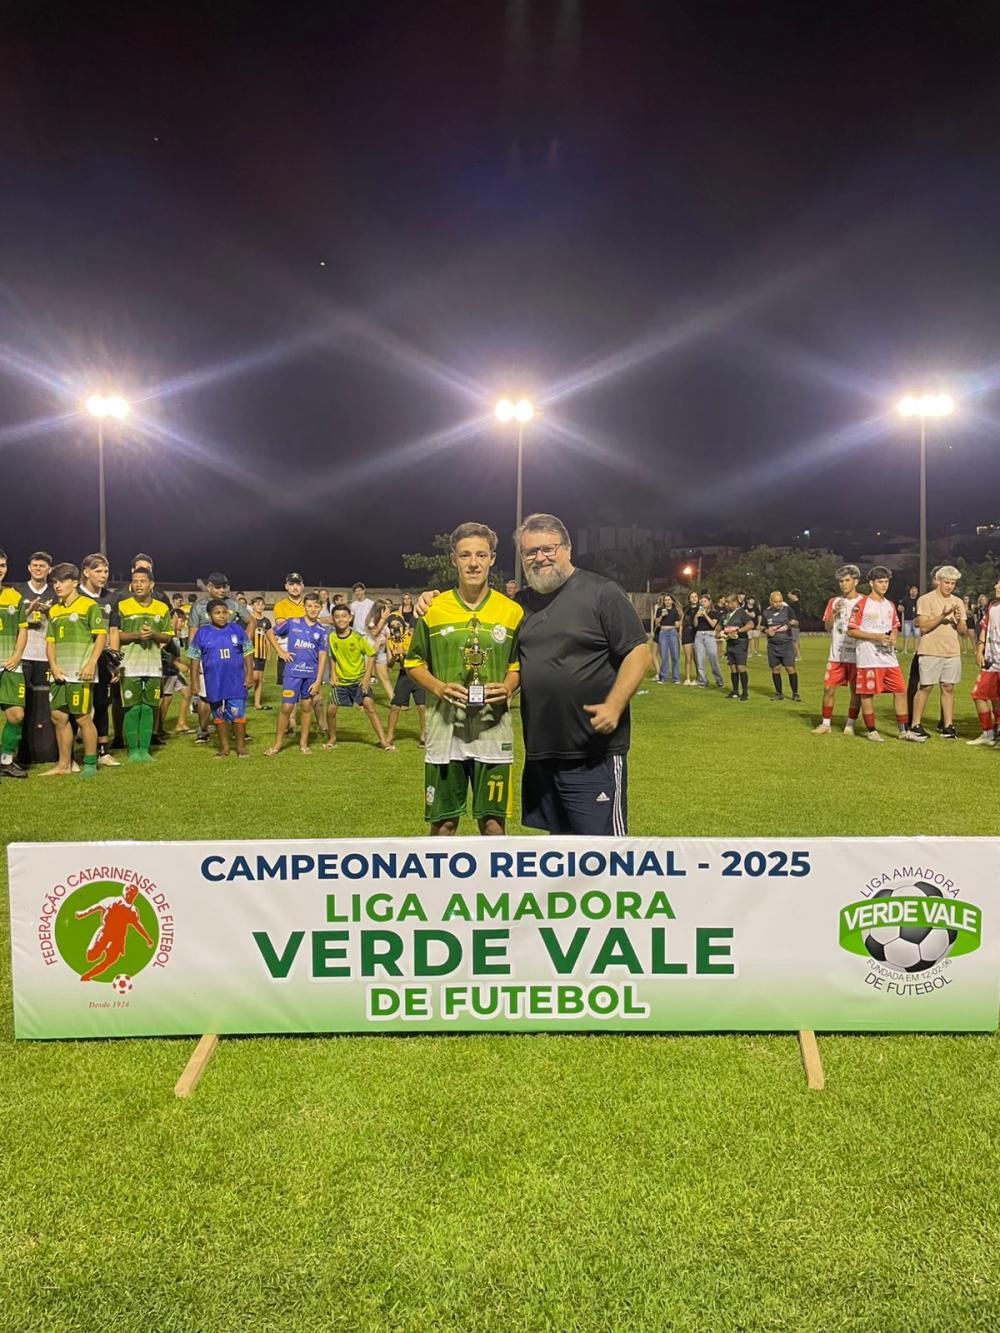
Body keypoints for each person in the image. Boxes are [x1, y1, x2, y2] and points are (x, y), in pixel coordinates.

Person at [415, 513, 648, 835]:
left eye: (548, 549)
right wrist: (430, 598)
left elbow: (638, 651)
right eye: (530, 552)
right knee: (558, 846)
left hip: (593, 752)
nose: (540, 558)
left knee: (602, 847)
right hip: (542, 752)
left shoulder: (602, 592)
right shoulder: (520, 606)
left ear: (567, 548)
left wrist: (615, 704)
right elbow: (483, 614)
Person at [404, 523, 522, 834]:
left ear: (492, 558)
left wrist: (508, 686)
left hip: (494, 732)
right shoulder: (432, 609)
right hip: (444, 732)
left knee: (494, 825)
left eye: (481, 555)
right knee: (443, 825)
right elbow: (413, 662)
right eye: (465, 555)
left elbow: (518, 664)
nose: (473, 563)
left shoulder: (512, 611)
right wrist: (439, 687)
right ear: (453, 559)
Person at [45, 562, 107, 778]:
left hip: (81, 672)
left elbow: (101, 636)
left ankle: (90, 763)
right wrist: (53, 666)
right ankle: (64, 764)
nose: (57, 586)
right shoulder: (54, 610)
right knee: (58, 717)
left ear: (74, 582)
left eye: (62, 581)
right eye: (54, 582)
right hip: (59, 672)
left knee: (83, 718)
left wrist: (91, 664)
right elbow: (50, 641)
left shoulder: (88, 605)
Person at [109, 568, 172, 763]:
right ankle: (133, 751)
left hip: (153, 666)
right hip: (129, 665)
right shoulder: (123, 606)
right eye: (135, 581)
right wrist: (136, 635)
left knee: (148, 708)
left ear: (151, 584)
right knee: (132, 708)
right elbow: (115, 634)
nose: (138, 585)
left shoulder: (161, 608)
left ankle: (144, 750)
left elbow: (168, 637)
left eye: (143, 581)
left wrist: (154, 634)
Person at [187, 573, 255, 743]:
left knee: (235, 693)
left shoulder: (233, 604)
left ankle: (235, 728)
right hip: (208, 657)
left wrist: (242, 644)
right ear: (209, 586)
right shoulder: (198, 606)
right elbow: (193, 632)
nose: (222, 590)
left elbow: (251, 621)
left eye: (224, 586)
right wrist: (194, 658)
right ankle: (203, 730)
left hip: (231, 658)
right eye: (217, 587)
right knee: (205, 697)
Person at [847, 566, 910, 742]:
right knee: (867, 694)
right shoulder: (862, 604)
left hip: (888, 657)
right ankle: (871, 730)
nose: (884, 585)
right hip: (868, 657)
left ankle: (903, 731)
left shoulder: (890, 605)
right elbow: (851, 631)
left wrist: (893, 637)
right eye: (880, 582)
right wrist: (876, 637)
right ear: (871, 583)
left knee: (900, 690)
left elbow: (895, 626)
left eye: (886, 582)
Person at [907, 565, 966, 742]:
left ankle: (948, 725)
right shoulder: (926, 599)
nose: (950, 586)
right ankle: (915, 724)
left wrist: (959, 620)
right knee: (925, 687)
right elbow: (923, 626)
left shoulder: (958, 602)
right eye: (947, 582)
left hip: (952, 651)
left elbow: (962, 631)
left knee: (948, 687)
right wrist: (943, 616)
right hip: (930, 650)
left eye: (953, 583)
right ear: (938, 581)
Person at [266, 592, 328, 755]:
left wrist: (318, 681)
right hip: (292, 673)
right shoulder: (292, 622)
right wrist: (280, 652)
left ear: (321, 608)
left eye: (316, 606)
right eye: (309, 606)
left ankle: (303, 744)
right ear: (304, 607)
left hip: (310, 676)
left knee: (306, 707)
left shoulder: (322, 631)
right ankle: (277, 744)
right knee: (287, 707)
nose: (313, 609)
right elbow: (270, 633)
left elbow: (322, 658)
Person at [324, 604, 392, 750]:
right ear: (333, 619)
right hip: (342, 682)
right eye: (337, 617)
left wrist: (366, 677)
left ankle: (383, 741)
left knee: (369, 707)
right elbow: (332, 656)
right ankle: (332, 738)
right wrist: (333, 674)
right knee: (330, 710)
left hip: (358, 681)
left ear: (350, 618)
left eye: (344, 616)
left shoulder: (357, 637)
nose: (341, 619)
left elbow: (371, 654)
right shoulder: (332, 637)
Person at [15, 549, 56, 766]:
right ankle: (21, 752)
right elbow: (12, 621)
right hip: (24, 654)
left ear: (49, 569)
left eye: (42, 566)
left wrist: (51, 612)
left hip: (47, 655)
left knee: (45, 704)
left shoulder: (55, 592)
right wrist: (27, 612)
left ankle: (46, 749)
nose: (38, 569)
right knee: (22, 704)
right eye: (35, 565)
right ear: (29, 568)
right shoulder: (18, 591)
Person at [812, 564, 862, 736]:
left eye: (847, 580)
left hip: (857, 655)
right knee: (828, 689)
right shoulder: (834, 602)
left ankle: (850, 725)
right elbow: (827, 627)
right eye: (841, 581)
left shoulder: (864, 602)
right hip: (836, 655)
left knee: (855, 691)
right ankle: (826, 724)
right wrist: (834, 613)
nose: (843, 584)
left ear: (855, 581)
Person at [0, 548, 28, 779]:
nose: (0, 570)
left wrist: (17, 654)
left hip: (9, 662)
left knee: (16, 714)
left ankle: (6, 761)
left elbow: (22, 630)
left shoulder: (14, 597)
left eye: (2, 565)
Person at [384, 611, 426, 749]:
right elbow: (389, 664)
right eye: (392, 626)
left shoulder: (411, 635)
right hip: (404, 674)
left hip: (418, 672)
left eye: (398, 625)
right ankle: (389, 736)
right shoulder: (390, 641)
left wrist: (405, 652)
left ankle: (423, 736)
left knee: (422, 706)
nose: (395, 628)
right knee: (395, 706)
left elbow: (420, 654)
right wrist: (394, 656)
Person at [968, 576, 1000, 747]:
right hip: (991, 663)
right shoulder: (992, 606)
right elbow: (984, 628)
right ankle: (988, 733)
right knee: (978, 695)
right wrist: (980, 650)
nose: (996, 586)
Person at [763, 590, 800, 701]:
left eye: (779, 601)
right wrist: (766, 631)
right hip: (772, 645)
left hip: (786, 644)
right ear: (771, 601)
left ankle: (795, 693)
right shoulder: (766, 612)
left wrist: (793, 623)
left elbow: (796, 622)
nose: (778, 604)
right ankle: (779, 693)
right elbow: (761, 627)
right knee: (775, 669)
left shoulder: (788, 610)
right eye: (775, 602)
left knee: (790, 668)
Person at [720, 593, 753, 700]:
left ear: (734, 602)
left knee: (741, 667)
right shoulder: (726, 615)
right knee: (733, 668)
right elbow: (719, 628)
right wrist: (721, 634)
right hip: (730, 644)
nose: (726, 604)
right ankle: (735, 691)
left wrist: (738, 631)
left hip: (740, 643)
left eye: (728, 602)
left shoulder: (741, 613)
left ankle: (745, 693)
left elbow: (751, 625)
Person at [365, 598, 394, 700]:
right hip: (370, 650)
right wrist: (383, 618)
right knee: (366, 676)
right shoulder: (370, 619)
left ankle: (394, 700)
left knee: (384, 677)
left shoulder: (388, 621)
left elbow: (389, 638)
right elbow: (374, 632)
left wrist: (383, 642)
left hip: (381, 651)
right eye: (385, 608)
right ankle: (362, 700)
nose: (388, 610)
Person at [694, 593, 724, 688]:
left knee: (713, 659)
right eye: (701, 601)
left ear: (709, 602)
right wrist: (696, 617)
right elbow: (695, 625)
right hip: (699, 635)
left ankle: (719, 680)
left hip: (709, 635)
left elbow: (713, 625)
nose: (703, 603)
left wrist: (705, 615)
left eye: (705, 601)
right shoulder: (698, 612)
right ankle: (703, 681)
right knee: (699, 660)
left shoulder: (714, 613)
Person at [250, 596, 272, 710]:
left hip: (261, 653)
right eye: (257, 604)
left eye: (262, 604)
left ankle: (257, 704)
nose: (260, 606)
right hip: (251, 652)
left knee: (259, 679)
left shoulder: (266, 621)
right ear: (252, 606)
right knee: (253, 677)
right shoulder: (249, 619)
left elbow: (268, 637)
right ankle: (238, 697)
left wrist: (269, 652)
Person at [653, 593, 680, 684]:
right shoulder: (660, 610)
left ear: (672, 601)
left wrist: (678, 625)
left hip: (672, 633)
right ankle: (664, 678)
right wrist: (661, 616)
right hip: (663, 633)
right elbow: (656, 623)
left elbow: (677, 624)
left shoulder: (675, 611)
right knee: (664, 656)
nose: (667, 602)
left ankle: (676, 678)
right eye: (665, 600)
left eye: (669, 600)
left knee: (675, 656)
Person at [680, 590, 699, 684]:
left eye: (696, 596)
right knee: (688, 658)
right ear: (689, 599)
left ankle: (699, 678)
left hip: (697, 633)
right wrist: (680, 634)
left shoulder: (701, 608)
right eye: (692, 597)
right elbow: (681, 622)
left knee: (697, 658)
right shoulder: (686, 608)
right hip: (687, 633)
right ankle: (687, 678)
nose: (694, 598)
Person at [898, 584, 920, 654]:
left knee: (917, 635)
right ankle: (905, 650)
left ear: (917, 592)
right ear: (910, 591)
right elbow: (899, 607)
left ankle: (916, 650)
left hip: (916, 620)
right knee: (906, 635)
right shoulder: (905, 599)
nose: (913, 592)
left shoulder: (919, 600)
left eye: (915, 591)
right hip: (907, 620)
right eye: (912, 590)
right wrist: (901, 608)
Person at [787, 589, 804, 661]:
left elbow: (796, 615)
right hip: (796, 623)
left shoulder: (795, 604)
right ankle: (796, 655)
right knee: (796, 640)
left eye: (790, 594)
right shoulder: (797, 603)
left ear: (794, 595)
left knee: (794, 641)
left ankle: (798, 656)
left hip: (794, 623)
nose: (788, 595)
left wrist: (792, 621)